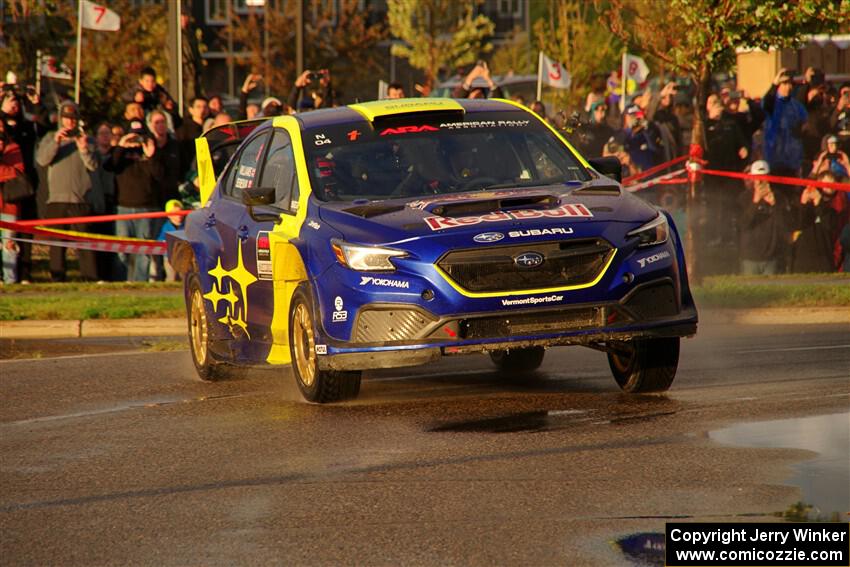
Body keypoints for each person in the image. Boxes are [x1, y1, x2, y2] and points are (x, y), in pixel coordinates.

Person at [35, 101, 99, 281]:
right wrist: (56, 141)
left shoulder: (88, 139)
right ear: (61, 119)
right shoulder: (50, 137)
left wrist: (84, 148)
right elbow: (42, 160)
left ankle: (89, 278)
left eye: (73, 119)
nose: (70, 122)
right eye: (66, 118)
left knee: (85, 241)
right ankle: (57, 277)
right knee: (57, 243)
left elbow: (93, 166)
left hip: (80, 198)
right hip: (57, 199)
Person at [104, 121, 163, 281]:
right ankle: (119, 283)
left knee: (143, 251)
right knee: (121, 250)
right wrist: (122, 146)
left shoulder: (152, 153)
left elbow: (158, 176)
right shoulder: (120, 153)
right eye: (134, 136)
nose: (136, 140)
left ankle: (140, 283)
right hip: (123, 207)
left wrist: (150, 155)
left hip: (146, 208)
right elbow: (110, 166)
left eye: (140, 136)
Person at [738, 160, 792, 275]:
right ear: (752, 178)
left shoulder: (779, 197)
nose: (761, 181)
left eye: (764, 177)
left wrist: (774, 205)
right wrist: (755, 202)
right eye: (758, 177)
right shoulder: (744, 198)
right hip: (750, 257)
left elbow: (785, 226)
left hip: (772, 257)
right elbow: (742, 224)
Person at [763, 69, 808, 181]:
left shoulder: (796, 105)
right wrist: (774, 84)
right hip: (774, 157)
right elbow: (766, 102)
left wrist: (800, 130)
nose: (788, 87)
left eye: (789, 83)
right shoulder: (772, 103)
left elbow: (806, 123)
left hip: (793, 159)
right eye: (784, 83)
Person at [791, 172, 838, 272]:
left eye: (831, 185)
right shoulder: (805, 206)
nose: (828, 189)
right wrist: (803, 204)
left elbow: (829, 226)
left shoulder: (832, 211)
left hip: (824, 262)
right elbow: (798, 225)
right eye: (825, 185)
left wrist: (818, 201)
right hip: (803, 261)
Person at [0, 124, 24, 284]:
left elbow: (17, 173)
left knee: (9, 244)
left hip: (9, 206)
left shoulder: (14, 149)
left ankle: (10, 281)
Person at [175, 96, 208, 178]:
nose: (202, 110)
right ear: (191, 110)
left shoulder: (210, 126)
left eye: (205, 107)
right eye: (198, 107)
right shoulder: (183, 130)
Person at [622, 104, 663, 171]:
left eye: (636, 115)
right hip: (631, 172)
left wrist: (646, 129)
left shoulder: (649, 130)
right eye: (632, 116)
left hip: (648, 170)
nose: (634, 118)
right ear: (626, 117)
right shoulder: (622, 134)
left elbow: (655, 149)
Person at [153, 199, 184, 282]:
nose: (179, 215)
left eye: (181, 213)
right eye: (175, 213)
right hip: (169, 257)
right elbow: (160, 240)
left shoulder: (187, 225)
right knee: (171, 277)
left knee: (184, 277)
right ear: (169, 215)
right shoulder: (166, 227)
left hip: (184, 257)